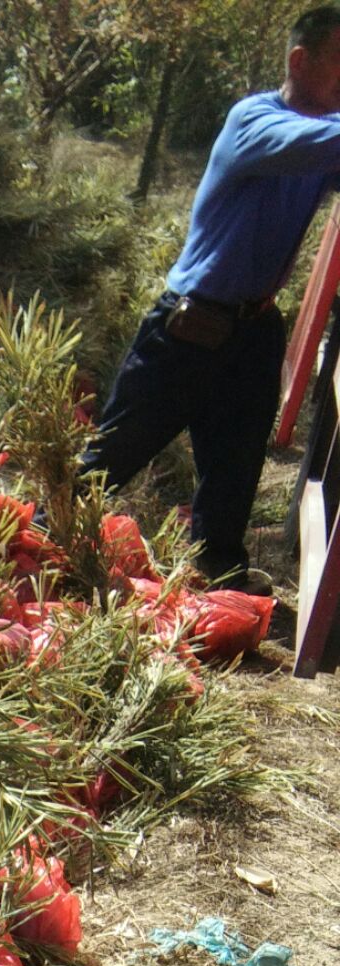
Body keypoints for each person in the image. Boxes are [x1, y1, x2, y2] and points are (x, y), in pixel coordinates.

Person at [83, 5, 340, 590]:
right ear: (301, 61)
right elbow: (313, 146)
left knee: (236, 465)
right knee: (114, 456)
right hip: (186, 330)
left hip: (254, 331)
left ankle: (217, 574)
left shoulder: (326, 136)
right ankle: (41, 544)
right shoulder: (256, 122)